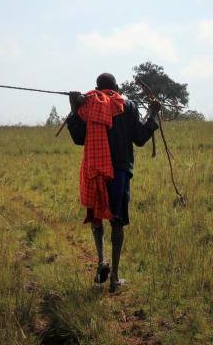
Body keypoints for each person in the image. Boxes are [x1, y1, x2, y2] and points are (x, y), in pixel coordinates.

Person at [67, 72, 160, 293]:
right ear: (117, 87)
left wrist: (73, 108)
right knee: (117, 221)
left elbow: (78, 138)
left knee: (96, 218)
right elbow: (139, 138)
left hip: (95, 170)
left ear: (96, 88)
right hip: (119, 172)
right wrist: (153, 115)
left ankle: (101, 262)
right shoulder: (126, 105)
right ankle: (115, 278)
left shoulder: (89, 106)